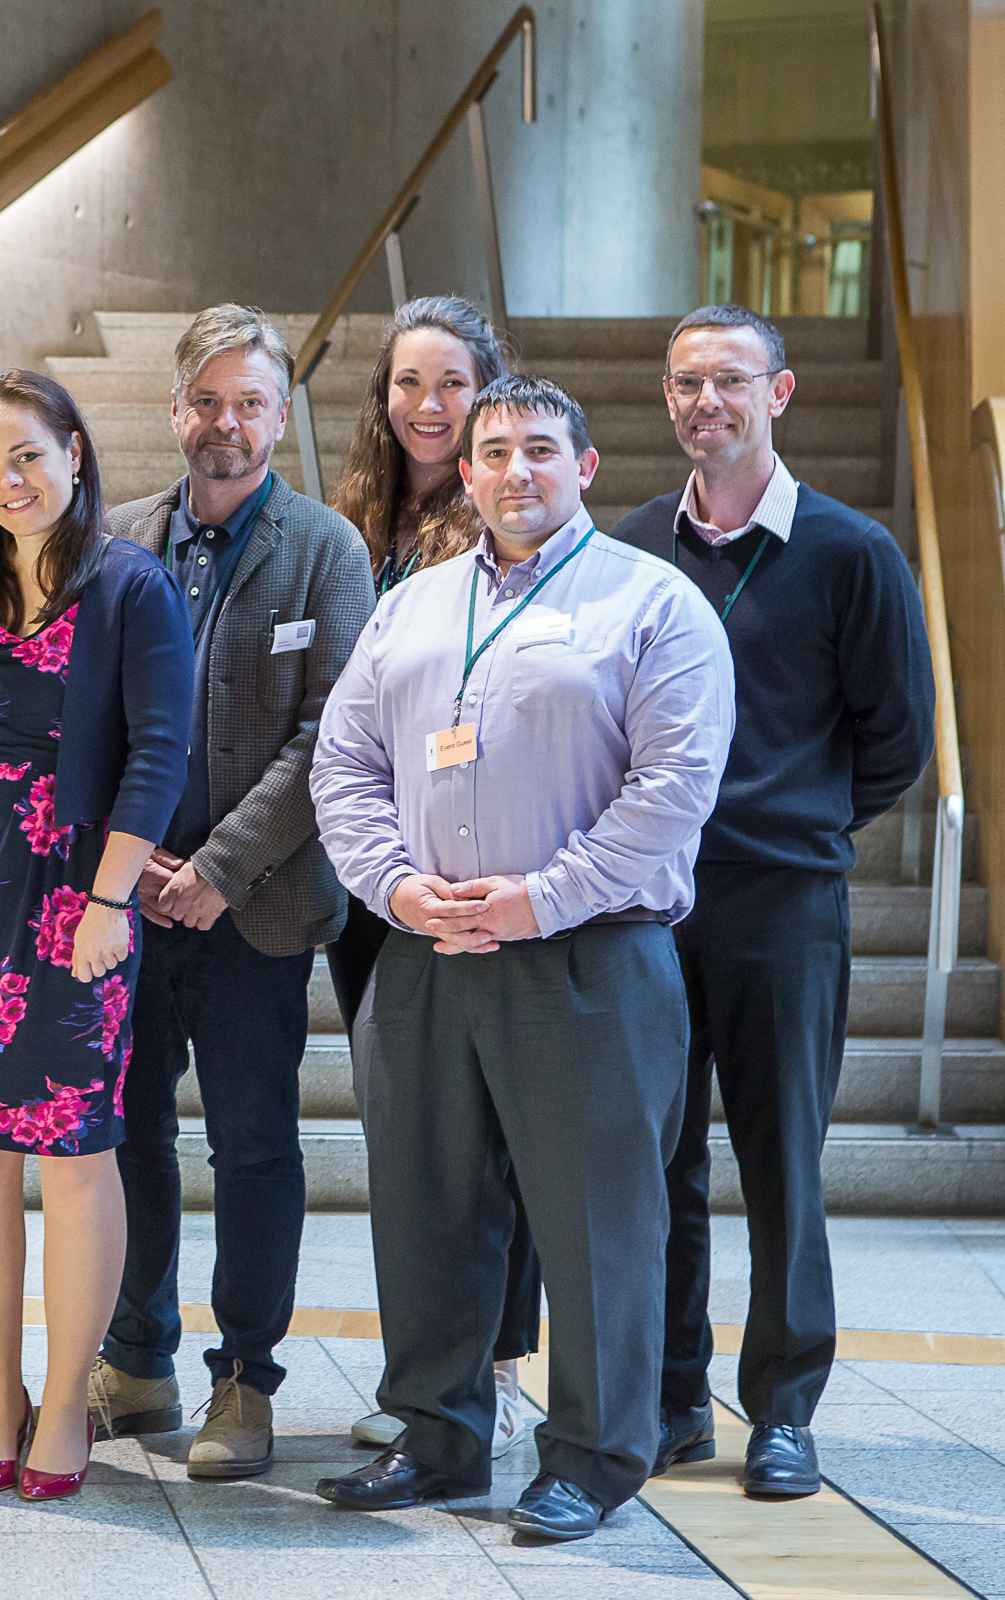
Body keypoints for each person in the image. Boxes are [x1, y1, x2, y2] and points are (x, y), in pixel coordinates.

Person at [311, 375, 735, 1541]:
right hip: (424, 952)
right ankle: (439, 1435)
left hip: (588, 958)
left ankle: (596, 1455)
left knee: (597, 1219)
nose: (515, 471)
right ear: (468, 470)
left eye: (540, 449)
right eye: (493, 451)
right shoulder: (414, 606)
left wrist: (539, 898)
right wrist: (395, 883)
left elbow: (672, 793)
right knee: (425, 1207)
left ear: (586, 465)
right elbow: (341, 764)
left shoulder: (653, 604)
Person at [614, 305, 933, 1498]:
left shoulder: (853, 552)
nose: (709, 402)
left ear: (780, 394)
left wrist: (797, 825)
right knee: (659, 1159)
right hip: (650, 901)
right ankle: (672, 1397)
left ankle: (786, 1408)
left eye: (731, 382)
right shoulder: (637, 544)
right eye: (689, 382)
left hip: (783, 905)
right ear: (668, 397)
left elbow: (895, 742)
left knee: (782, 1163)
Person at [0, 370, 191, 1503]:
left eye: (26, 455)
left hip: (76, 898)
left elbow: (161, 750)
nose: (9, 481)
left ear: (73, 451)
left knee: (75, 1151)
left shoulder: (131, 584)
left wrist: (112, 902)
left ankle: (65, 1399)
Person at [83, 306, 374, 1481]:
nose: (227, 423)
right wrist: (133, 863)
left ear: (280, 414)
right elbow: (91, 714)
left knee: (253, 1144)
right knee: (132, 1134)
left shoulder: (325, 549)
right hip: (130, 902)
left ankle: (245, 1380)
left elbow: (329, 733)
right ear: (173, 411)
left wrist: (213, 867)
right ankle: (138, 1353)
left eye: (251, 402)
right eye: (207, 400)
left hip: (254, 909)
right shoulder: (116, 539)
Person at [323, 295, 537, 1459]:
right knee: (415, 1144)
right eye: (408, 382)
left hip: (482, 879)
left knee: (500, 1131)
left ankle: (497, 1369)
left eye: (451, 383)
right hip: (380, 887)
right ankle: (430, 1376)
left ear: (487, 394)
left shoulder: (506, 520)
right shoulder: (352, 525)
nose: (427, 406)